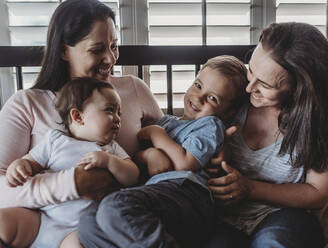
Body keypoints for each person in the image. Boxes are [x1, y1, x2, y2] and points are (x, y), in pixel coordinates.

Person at [0, 0, 163, 247]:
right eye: (97, 49)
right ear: (64, 50)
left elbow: (177, 136)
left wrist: (149, 154)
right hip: (40, 219)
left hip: (93, 223)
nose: (110, 58)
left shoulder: (134, 89)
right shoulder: (27, 104)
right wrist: (72, 183)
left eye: (114, 46)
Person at [202, 22, 328, 248]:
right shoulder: (233, 95)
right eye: (251, 71)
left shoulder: (322, 121)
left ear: (300, 88)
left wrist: (250, 188)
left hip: (285, 216)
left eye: (264, 84)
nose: (249, 88)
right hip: (226, 219)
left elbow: (318, 193)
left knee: (273, 242)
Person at [77, 55, 249, 248]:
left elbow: (185, 163)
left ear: (227, 112)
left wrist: (156, 134)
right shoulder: (167, 122)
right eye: (198, 85)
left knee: (115, 207)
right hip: (158, 195)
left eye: (212, 98)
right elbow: (139, 160)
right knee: (88, 223)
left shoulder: (210, 125)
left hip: (189, 194)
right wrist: (148, 155)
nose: (198, 97)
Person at [4, 77, 140, 248]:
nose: (118, 118)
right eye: (109, 110)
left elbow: (133, 176)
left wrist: (110, 162)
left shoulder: (110, 148)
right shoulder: (55, 140)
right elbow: (31, 162)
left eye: (119, 113)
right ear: (78, 116)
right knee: (3, 222)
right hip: (41, 219)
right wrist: (18, 166)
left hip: (77, 229)